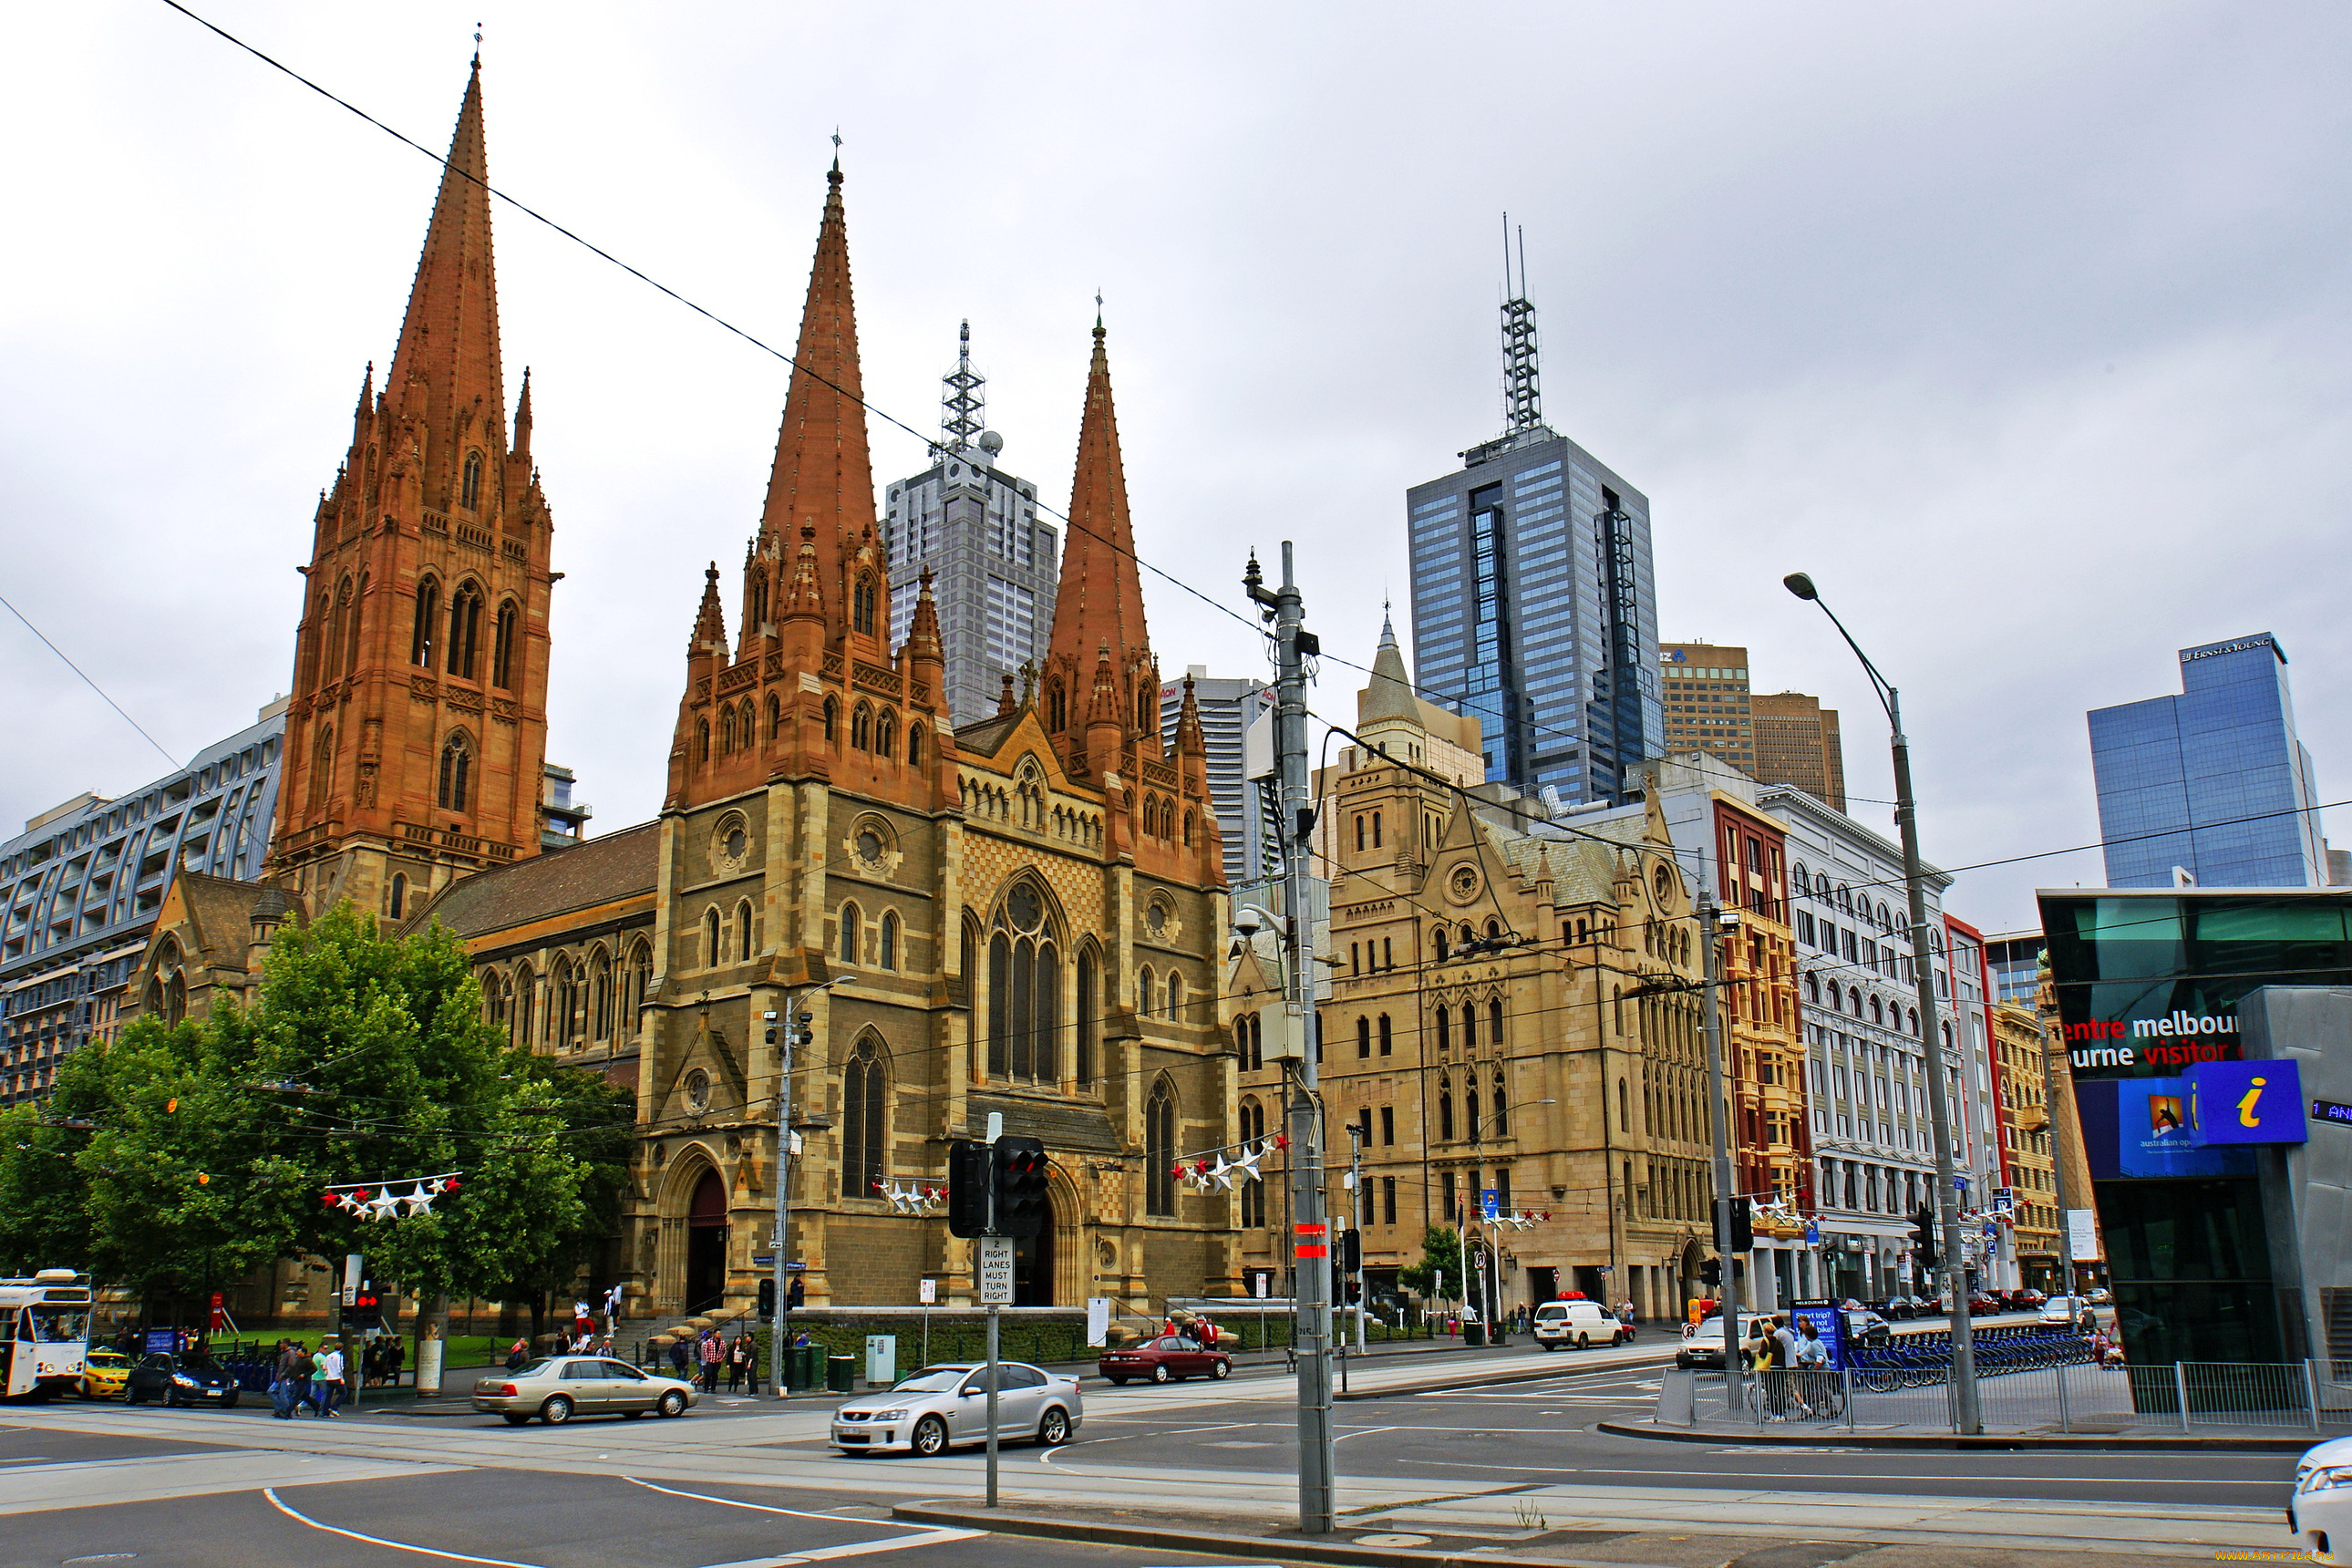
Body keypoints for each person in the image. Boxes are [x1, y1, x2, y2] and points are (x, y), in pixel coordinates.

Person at [272, 1339, 305, 1419]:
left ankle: (287, 1411)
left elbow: (292, 1365)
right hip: (279, 1377)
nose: (280, 1345)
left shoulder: (290, 1353)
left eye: (281, 1343)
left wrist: (285, 1374)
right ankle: (280, 1409)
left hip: (285, 1378)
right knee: (271, 1391)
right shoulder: (284, 1353)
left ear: (285, 1344)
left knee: (283, 1395)